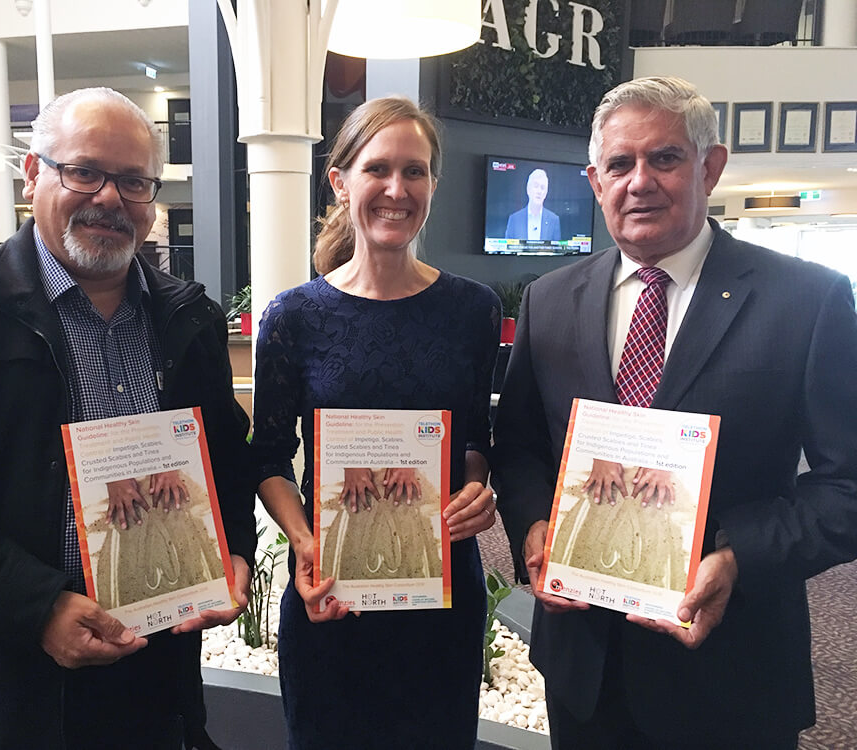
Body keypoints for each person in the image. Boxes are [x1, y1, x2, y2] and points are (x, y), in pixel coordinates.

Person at [0, 87, 256, 750]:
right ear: (34, 174)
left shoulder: (189, 320)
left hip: (153, 678)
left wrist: (235, 550)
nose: (109, 198)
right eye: (84, 171)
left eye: (133, 181)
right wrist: (35, 606)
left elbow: (225, 460)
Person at [492, 75, 857, 749]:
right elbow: (518, 449)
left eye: (664, 158)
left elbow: (847, 486)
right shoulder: (548, 300)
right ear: (595, 182)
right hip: (584, 671)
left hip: (732, 672)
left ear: (709, 167)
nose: (640, 181)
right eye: (620, 165)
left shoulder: (808, 302)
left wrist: (738, 558)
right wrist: (536, 527)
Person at [251, 96, 501, 749]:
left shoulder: (474, 310)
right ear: (340, 180)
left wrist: (478, 486)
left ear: (433, 185)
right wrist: (305, 540)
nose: (397, 189)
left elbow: (477, 438)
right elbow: (269, 458)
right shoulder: (292, 317)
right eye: (378, 169)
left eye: (414, 172)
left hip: (440, 593)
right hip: (332, 594)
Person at [504, 168, 561, 241]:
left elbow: (557, 249)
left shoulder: (553, 220)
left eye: (542, 188)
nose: (539, 191)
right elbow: (507, 248)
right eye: (536, 186)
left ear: (546, 193)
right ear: (528, 189)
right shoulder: (514, 219)